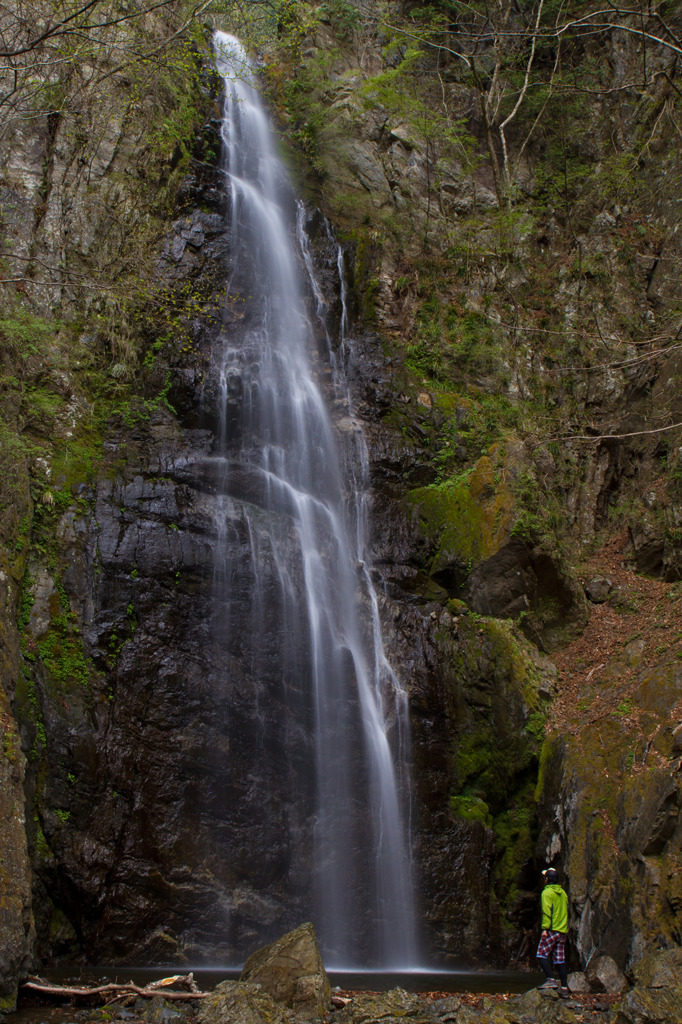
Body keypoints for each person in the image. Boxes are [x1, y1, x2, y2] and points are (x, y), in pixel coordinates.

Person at [537, 867, 569, 997]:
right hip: (562, 931)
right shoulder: (563, 893)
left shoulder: (547, 893)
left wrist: (545, 929)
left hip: (551, 929)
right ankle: (564, 988)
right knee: (559, 959)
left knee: (541, 954)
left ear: (547, 879)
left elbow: (547, 911)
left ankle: (550, 979)